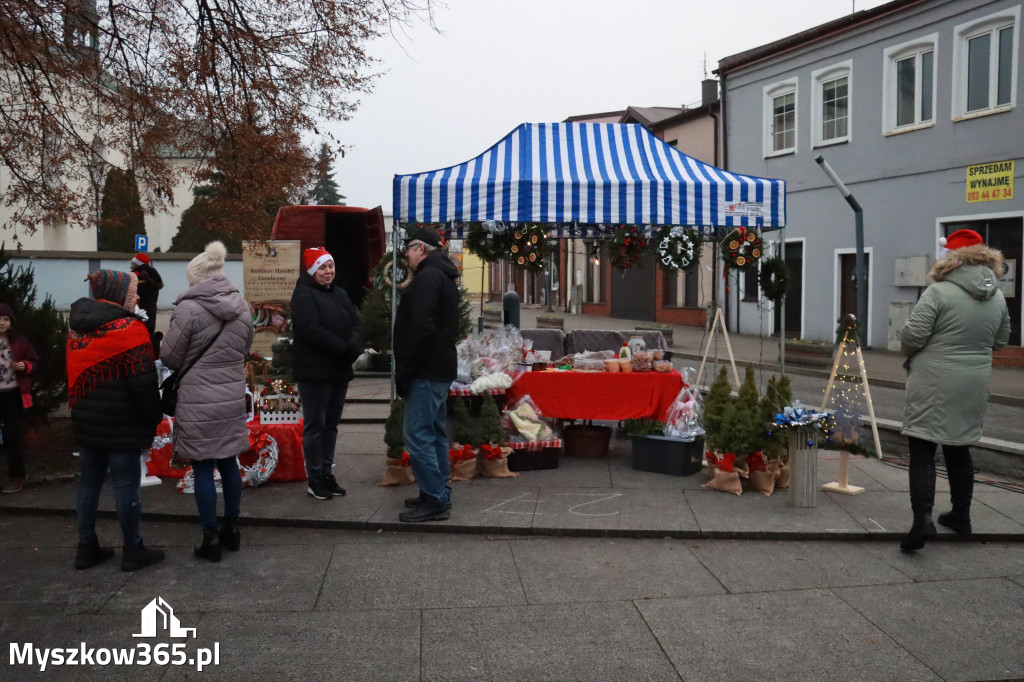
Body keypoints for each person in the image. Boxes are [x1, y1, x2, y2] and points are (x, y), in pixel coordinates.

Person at [899, 228, 1010, 552]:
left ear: (952, 258)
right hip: (974, 381)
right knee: (959, 449)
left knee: (922, 449)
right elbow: (1000, 341)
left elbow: (910, 339)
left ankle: (922, 520)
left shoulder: (938, 292)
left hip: (934, 380)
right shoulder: (998, 296)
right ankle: (961, 515)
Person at [161, 241, 253, 563]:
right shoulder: (243, 308)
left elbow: (170, 358)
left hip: (198, 400)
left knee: (202, 467)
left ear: (195, 279)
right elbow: (243, 352)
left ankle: (210, 537)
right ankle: (233, 529)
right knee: (229, 462)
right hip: (229, 398)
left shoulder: (187, 310)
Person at [68, 269, 165, 571]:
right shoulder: (130, 329)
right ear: (118, 293)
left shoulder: (76, 326)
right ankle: (133, 550)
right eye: (132, 292)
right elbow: (143, 386)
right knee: (125, 486)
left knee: (88, 485)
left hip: (85, 419)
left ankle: (86, 548)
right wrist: (153, 420)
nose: (136, 297)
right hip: (122, 422)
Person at [393, 228, 460, 523]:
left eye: (409, 247)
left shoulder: (427, 279)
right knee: (434, 433)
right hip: (439, 367)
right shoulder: (442, 276)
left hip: (426, 370)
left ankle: (434, 498)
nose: (406, 253)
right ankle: (436, 490)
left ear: (421, 248)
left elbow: (420, 329)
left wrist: (405, 371)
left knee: (418, 435)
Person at [290, 247, 362, 501]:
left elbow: (356, 323)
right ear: (312, 270)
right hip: (314, 372)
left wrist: (354, 345)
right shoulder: (303, 296)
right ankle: (315, 477)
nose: (328, 272)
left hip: (338, 369)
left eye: (330, 266)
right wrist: (343, 349)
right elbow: (311, 330)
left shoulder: (340, 294)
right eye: (322, 267)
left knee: (331, 425)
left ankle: (327, 472)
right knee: (315, 425)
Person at [0, 302, 40, 494]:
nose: (1, 323)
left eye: (5, 319)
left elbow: (35, 362)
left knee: (12, 435)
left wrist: (25, 366)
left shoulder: (20, 342)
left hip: (13, 394)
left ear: (11, 322)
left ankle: (17, 475)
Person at [130, 252, 163, 357]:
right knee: (149, 333)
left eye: (132, 263)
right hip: (151, 309)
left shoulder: (136, 275)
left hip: (137, 311)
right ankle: (153, 355)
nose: (131, 266)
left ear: (137, 264)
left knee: (138, 336)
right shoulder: (154, 276)